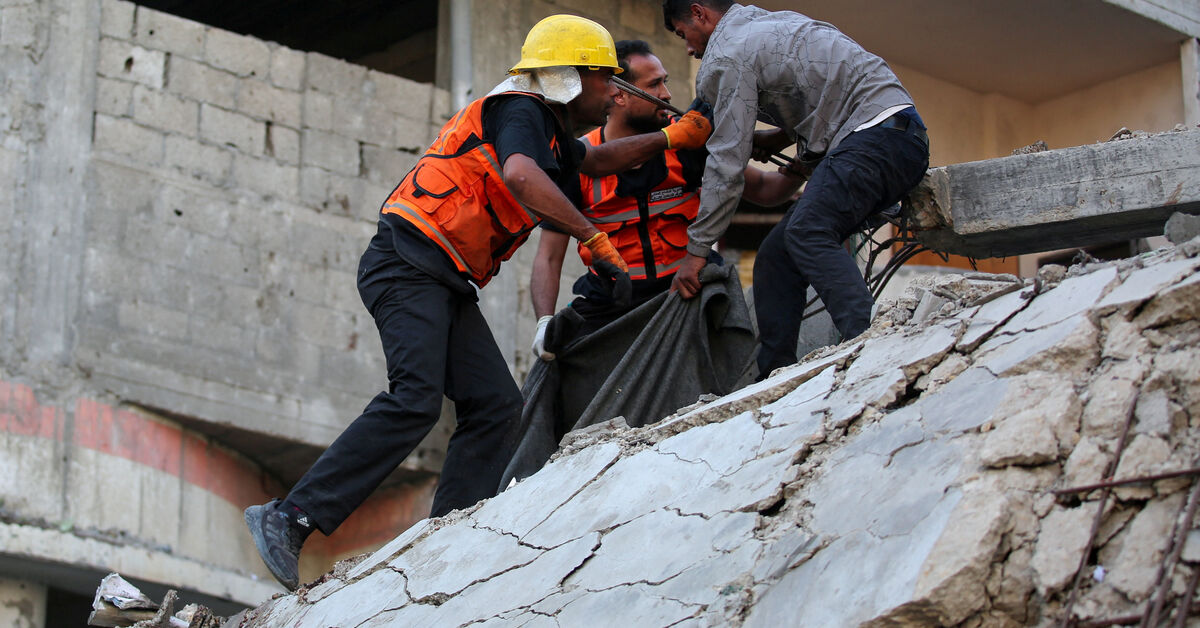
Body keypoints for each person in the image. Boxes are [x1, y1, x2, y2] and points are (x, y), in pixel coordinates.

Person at [243, 15, 712, 592]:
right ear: (569, 77)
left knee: (496, 406)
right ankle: (289, 517)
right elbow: (520, 175)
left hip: (440, 276)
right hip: (406, 264)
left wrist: (672, 139)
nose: (615, 93)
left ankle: (444, 535)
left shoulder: (547, 130)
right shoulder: (521, 110)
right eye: (606, 79)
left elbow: (594, 162)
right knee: (415, 399)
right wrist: (593, 237)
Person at [662, 1, 931, 377]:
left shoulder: (726, 54)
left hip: (875, 137)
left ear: (699, 13)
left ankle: (871, 348)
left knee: (808, 230)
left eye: (682, 34)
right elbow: (825, 89)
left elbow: (726, 165)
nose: (689, 48)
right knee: (777, 255)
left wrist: (696, 254)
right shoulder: (774, 26)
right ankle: (776, 375)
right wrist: (782, 138)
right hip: (898, 138)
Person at [531, 38, 805, 359]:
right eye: (654, 84)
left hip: (689, 291)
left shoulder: (689, 141)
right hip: (612, 305)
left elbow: (767, 191)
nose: (666, 94)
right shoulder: (577, 160)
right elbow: (548, 256)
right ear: (618, 94)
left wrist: (804, 162)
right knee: (552, 377)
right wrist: (544, 323)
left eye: (665, 82)